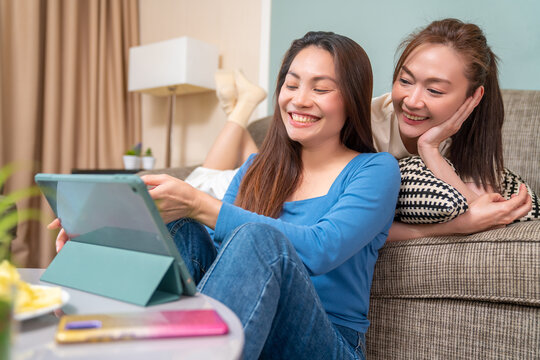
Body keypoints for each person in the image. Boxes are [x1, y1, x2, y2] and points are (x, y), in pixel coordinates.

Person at [52, 31, 401, 359]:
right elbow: (220, 262)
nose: (299, 99)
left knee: (257, 238)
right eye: (291, 85)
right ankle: (98, 325)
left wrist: (200, 203)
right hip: (245, 324)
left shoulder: (375, 170)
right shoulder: (255, 167)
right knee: (182, 229)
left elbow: (321, 248)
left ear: (352, 98)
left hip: (328, 340)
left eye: (320, 89)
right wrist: (106, 238)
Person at [186, 18, 535, 239]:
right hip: (283, 179)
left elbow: (482, 210)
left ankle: (241, 115)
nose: (412, 101)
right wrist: (455, 226)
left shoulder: (475, 139)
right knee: (200, 183)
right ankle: (243, 109)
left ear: (473, 97)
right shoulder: (364, 122)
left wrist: (430, 149)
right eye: (405, 81)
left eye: (434, 90)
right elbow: (342, 220)